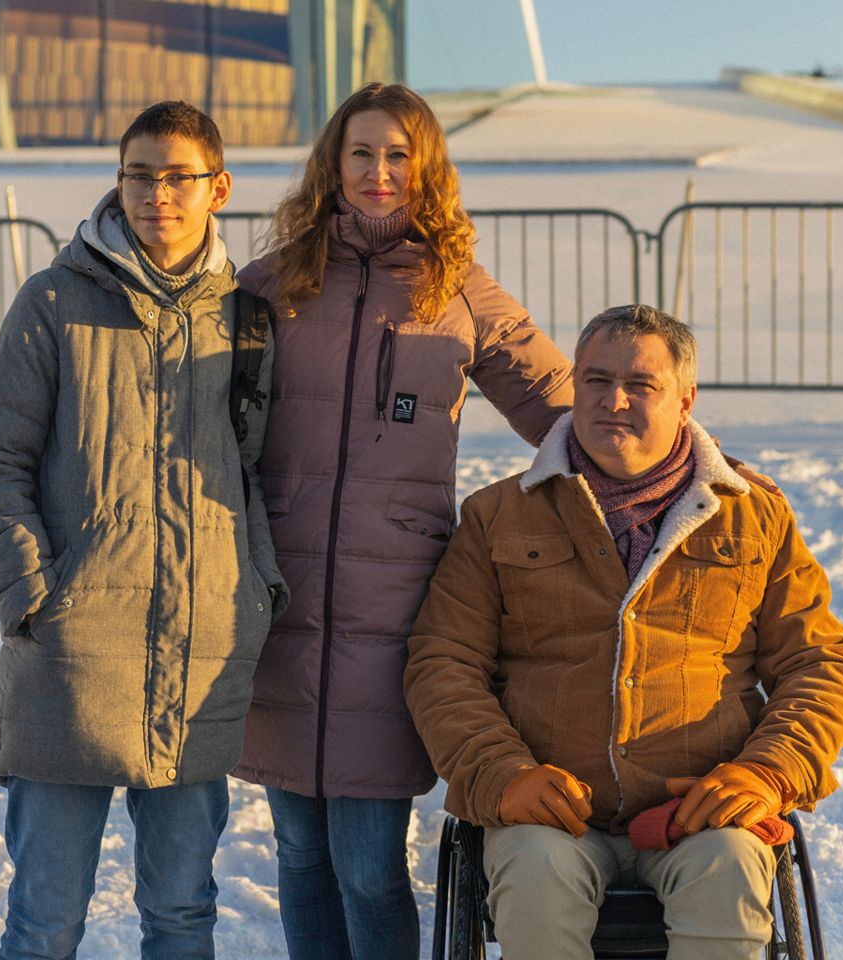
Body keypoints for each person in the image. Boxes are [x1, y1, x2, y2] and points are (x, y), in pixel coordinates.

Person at [227, 82, 575, 960]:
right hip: (279, 597)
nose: (378, 173)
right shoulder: (269, 283)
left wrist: (691, 468)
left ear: (425, 169)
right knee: (299, 855)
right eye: (361, 153)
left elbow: (567, 408)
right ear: (331, 164)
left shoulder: (458, 288)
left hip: (397, 610)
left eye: (397, 155)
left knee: (372, 863)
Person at [403, 304, 843, 960]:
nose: (613, 400)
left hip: (700, 812)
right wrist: (501, 774)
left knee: (730, 878)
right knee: (534, 883)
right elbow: (442, 662)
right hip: (546, 814)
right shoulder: (498, 515)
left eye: (641, 385)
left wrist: (766, 773)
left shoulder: (752, 516)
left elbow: (821, 664)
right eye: (594, 380)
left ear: (685, 400)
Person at [0, 101, 287, 960]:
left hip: (199, 652)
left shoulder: (247, 319)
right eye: (138, 174)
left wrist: (256, 590)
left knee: (182, 914)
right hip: (69, 655)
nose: (156, 194)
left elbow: (256, 473)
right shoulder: (55, 301)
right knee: (44, 922)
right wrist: (33, 593)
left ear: (218, 188)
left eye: (178, 176)